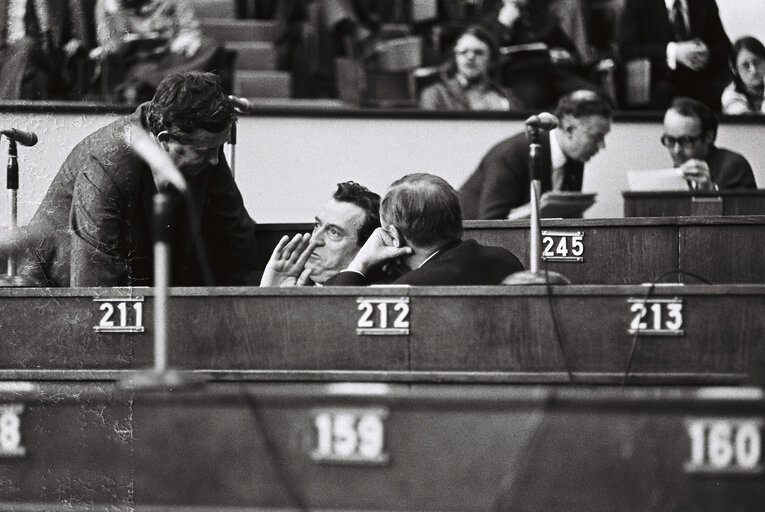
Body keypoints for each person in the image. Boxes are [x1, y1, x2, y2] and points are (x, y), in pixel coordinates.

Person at [19, 71, 258, 287]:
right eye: (205, 152)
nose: (215, 161)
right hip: (55, 291)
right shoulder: (108, 162)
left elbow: (233, 231)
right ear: (164, 140)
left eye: (218, 149)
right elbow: (93, 283)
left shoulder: (202, 144)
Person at [325, 173, 524, 286]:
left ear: (393, 235)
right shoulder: (506, 259)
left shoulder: (409, 288)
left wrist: (360, 262)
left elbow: (338, 313)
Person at [459, 89, 612, 220]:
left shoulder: (576, 157)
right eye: (596, 137)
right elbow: (491, 225)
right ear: (569, 129)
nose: (602, 146)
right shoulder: (510, 155)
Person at [91, 0, 228, 102]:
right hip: (136, 61)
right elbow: (108, 44)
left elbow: (190, 27)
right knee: (140, 70)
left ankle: (149, 82)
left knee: (211, 46)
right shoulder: (107, 4)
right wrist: (114, 14)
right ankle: (161, 82)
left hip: (170, 56)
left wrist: (186, 39)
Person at [260, 181, 384, 287]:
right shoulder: (276, 279)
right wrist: (270, 297)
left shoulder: (377, 296)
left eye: (334, 232)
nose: (314, 239)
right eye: (317, 225)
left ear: (364, 249)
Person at [481, 0, 598, 109]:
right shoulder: (490, 21)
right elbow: (488, 57)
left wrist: (565, 56)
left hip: (555, 74)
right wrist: (504, 24)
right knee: (530, 98)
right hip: (520, 77)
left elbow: (571, 52)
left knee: (594, 96)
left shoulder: (543, 17)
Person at [619, 0, 731, 111]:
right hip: (659, 77)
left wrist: (706, 52)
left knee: (726, 93)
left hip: (700, 77)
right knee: (663, 92)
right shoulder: (638, 3)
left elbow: (724, 47)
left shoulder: (704, 2)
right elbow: (627, 50)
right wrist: (674, 52)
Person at [661, 96, 757, 190]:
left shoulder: (734, 167)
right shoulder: (679, 169)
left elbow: (740, 206)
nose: (676, 150)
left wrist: (710, 190)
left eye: (686, 141)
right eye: (670, 140)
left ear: (708, 137)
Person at [419, 24, 522, 111]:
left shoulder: (507, 97)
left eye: (478, 52)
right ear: (455, 58)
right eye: (463, 52)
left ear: (491, 59)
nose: (470, 57)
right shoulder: (436, 94)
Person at [722, 36, 765, 115]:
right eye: (745, 65)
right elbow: (754, 125)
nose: (753, 70)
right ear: (735, 69)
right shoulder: (731, 96)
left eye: (757, 62)